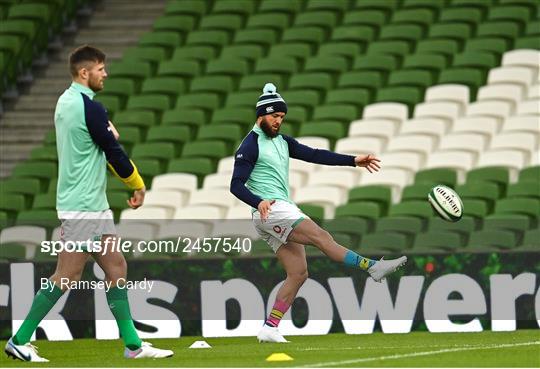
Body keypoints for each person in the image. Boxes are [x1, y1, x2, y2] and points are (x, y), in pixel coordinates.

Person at [4, 45, 173, 361]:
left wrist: (107, 132)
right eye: (100, 68)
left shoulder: (65, 102)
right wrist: (136, 184)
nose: (105, 74)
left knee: (116, 266)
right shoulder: (89, 107)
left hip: (88, 203)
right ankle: (19, 339)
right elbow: (113, 153)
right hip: (83, 205)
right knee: (67, 276)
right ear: (85, 72)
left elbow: (96, 142)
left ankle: (133, 345)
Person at [230, 83, 407, 343]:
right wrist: (258, 202)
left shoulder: (282, 141)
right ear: (261, 115)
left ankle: (270, 327)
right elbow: (235, 184)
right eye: (274, 116)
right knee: (321, 237)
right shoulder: (250, 145)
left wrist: (353, 160)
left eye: (281, 117)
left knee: (298, 273)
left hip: (278, 210)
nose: (278, 121)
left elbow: (314, 155)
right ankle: (373, 268)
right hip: (272, 210)